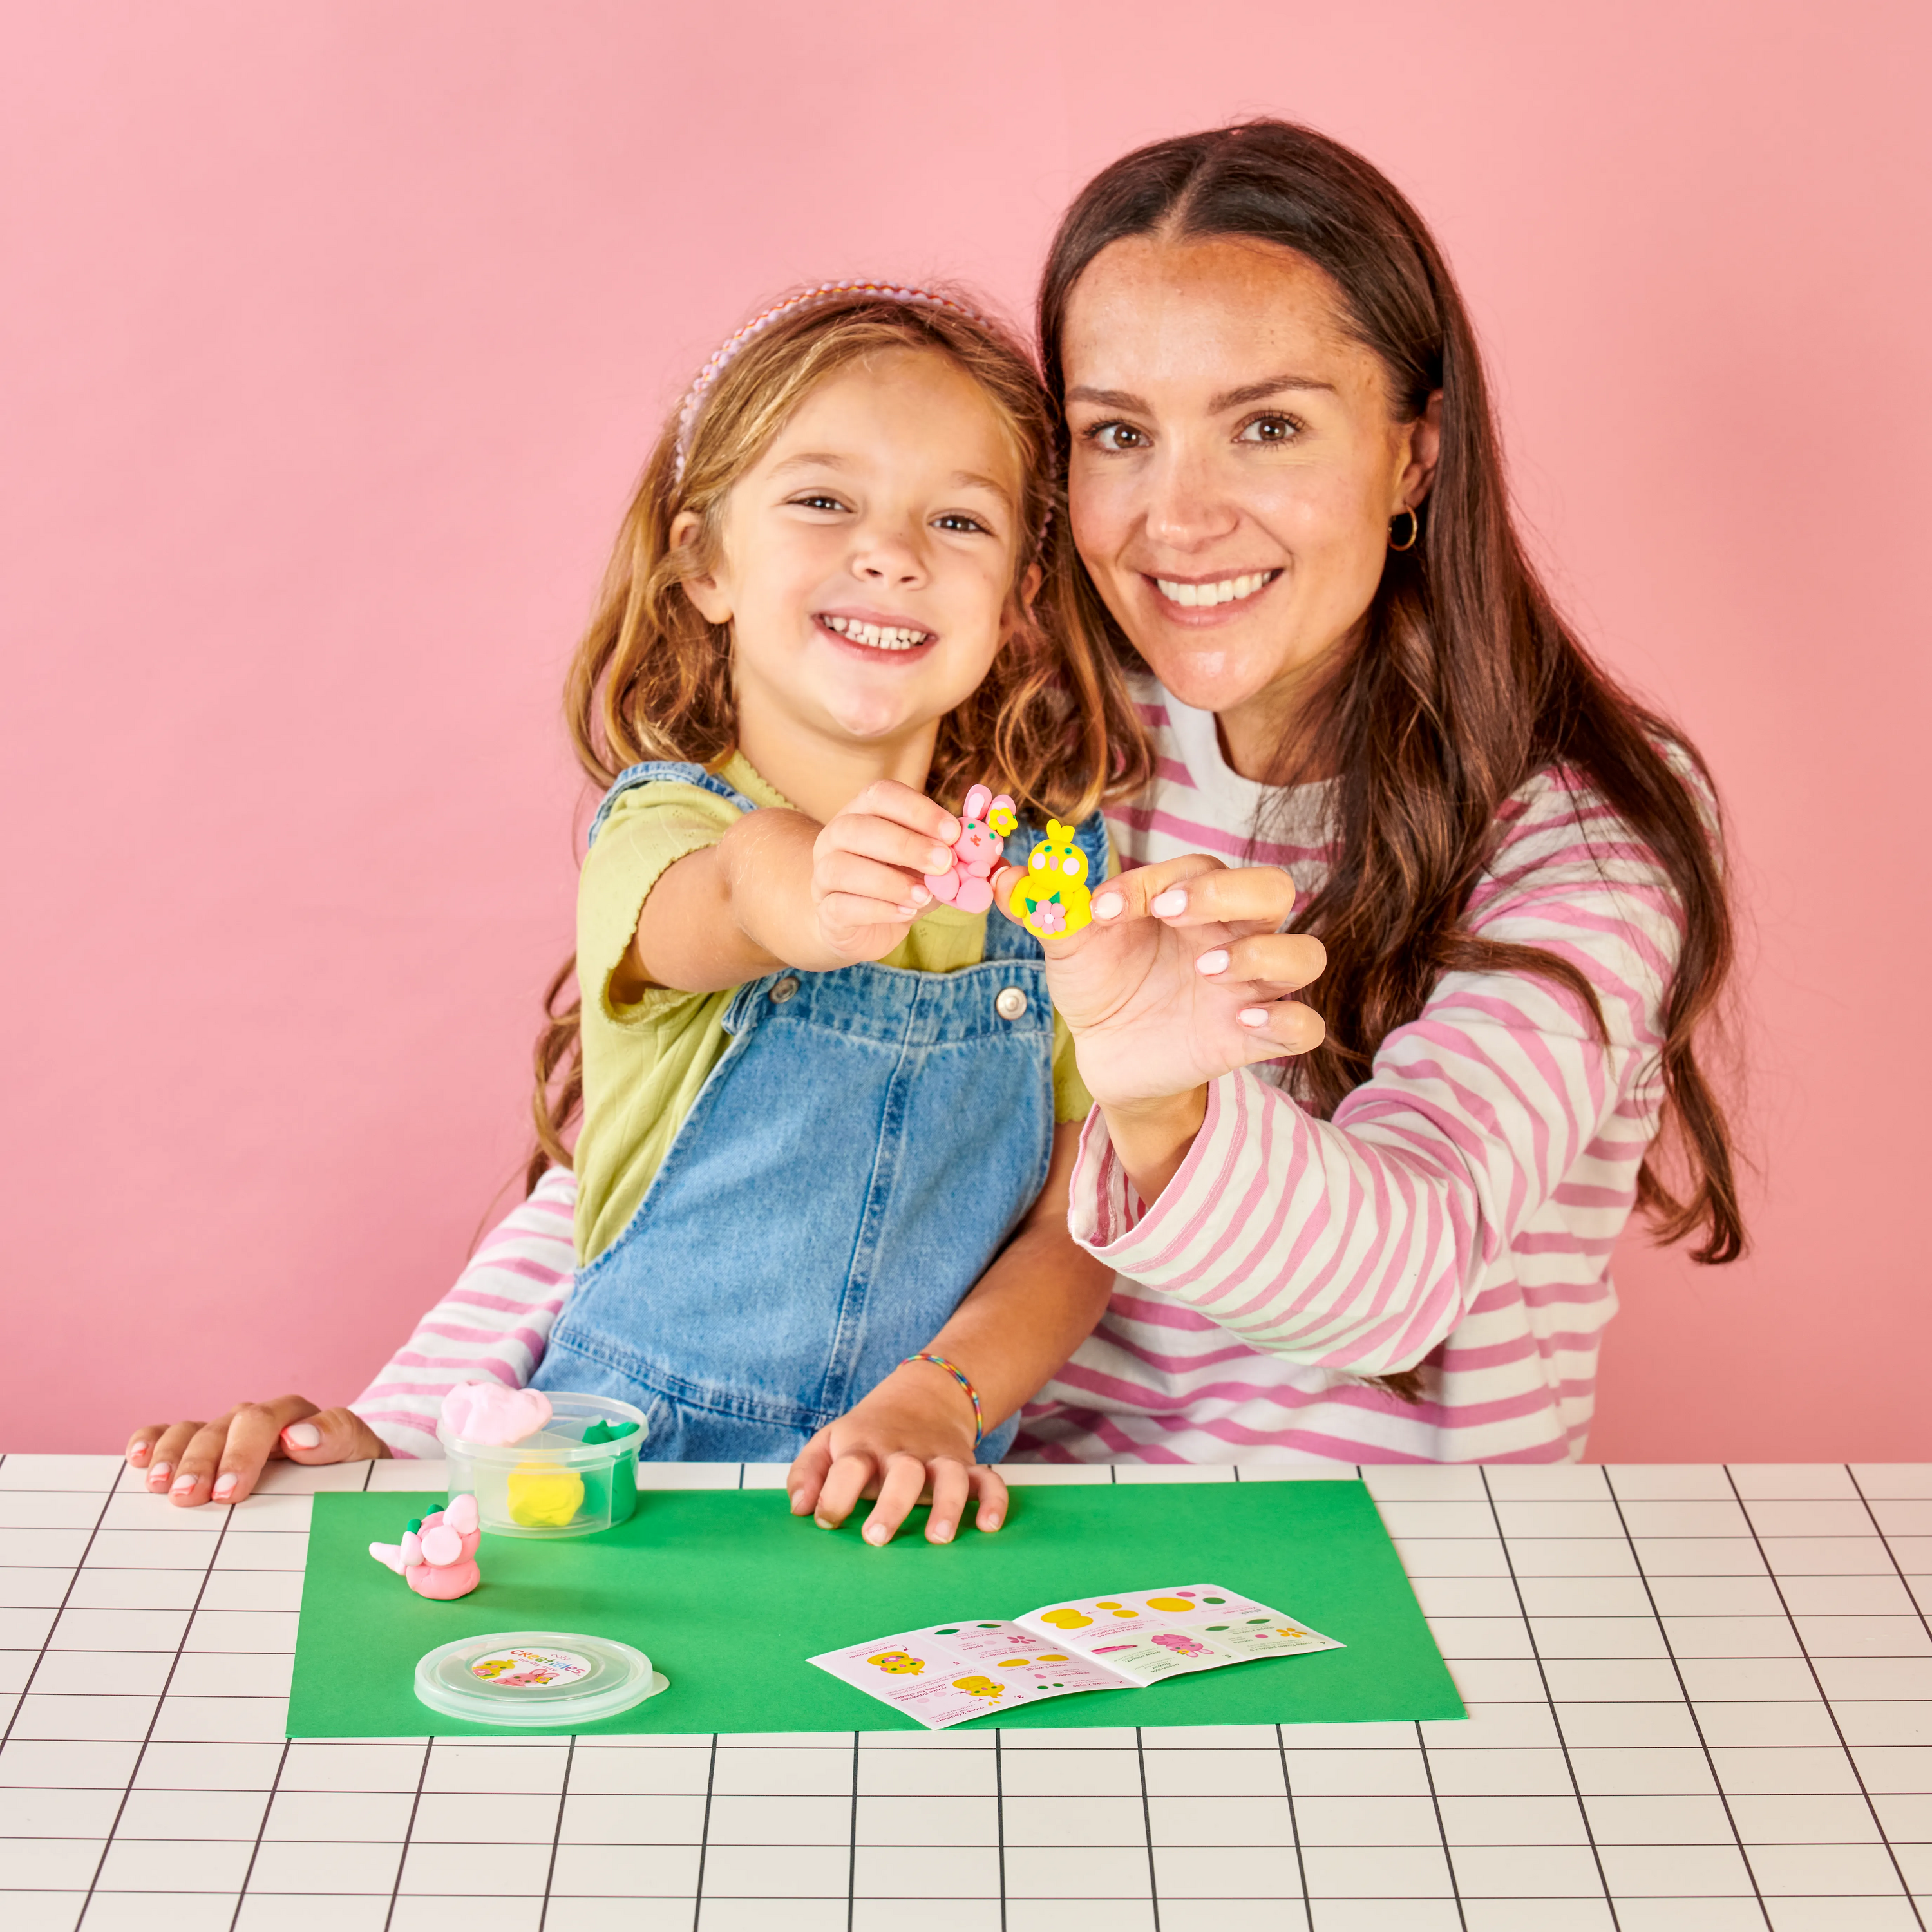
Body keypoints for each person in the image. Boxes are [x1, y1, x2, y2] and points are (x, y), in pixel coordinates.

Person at [132, 115, 1744, 1492]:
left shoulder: (1580, 834)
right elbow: (694, 1156)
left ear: (1416, 456)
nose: (1181, 515)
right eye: (1118, 434)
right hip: (996, 1543)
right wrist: (424, 1431)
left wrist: (1166, 1110)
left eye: (1268, 426)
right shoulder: (1048, 765)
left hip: (1383, 1573)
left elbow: (1405, 1281)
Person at [123, 283, 1149, 1542]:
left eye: (958, 519)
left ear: (1021, 596)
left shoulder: (1053, 882)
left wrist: (941, 1399)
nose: (893, 554)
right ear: (704, 562)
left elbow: (1078, 1229)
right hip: (612, 1487)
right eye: (824, 501)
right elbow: (735, 893)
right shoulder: (661, 831)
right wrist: (818, 888)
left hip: (910, 1494)